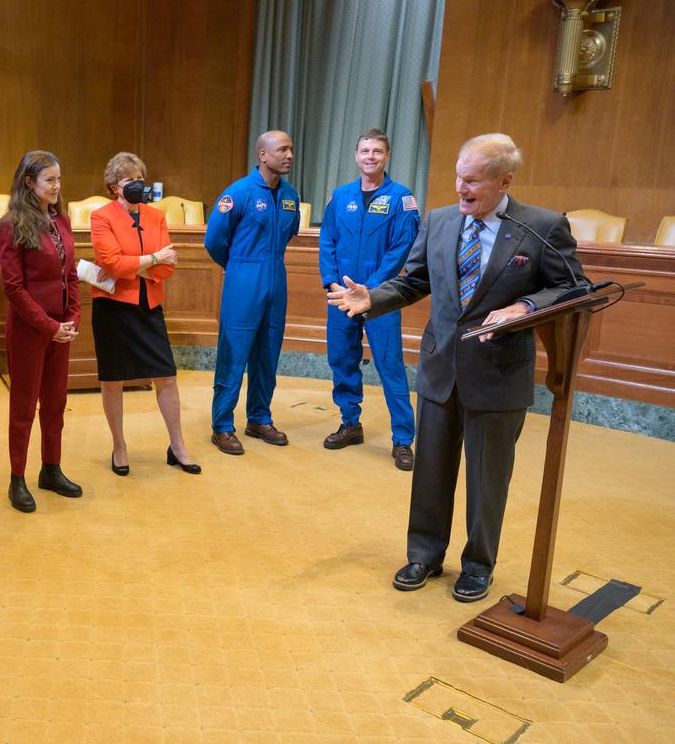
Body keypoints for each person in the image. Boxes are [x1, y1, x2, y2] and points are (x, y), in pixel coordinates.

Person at [328, 133, 583, 603]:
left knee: (487, 479)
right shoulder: (440, 220)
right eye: (457, 178)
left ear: (504, 181)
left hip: (499, 374)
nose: (460, 189)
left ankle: (478, 564)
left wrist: (524, 306)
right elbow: (413, 281)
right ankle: (424, 554)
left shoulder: (542, 226)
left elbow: (573, 288)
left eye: (472, 181)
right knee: (430, 471)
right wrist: (373, 298)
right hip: (440, 367)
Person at [90, 152, 201, 477]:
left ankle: (177, 445)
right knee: (113, 380)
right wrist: (151, 258)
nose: (137, 186)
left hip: (149, 306)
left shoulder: (156, 216)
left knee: (166, 376)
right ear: (114, 187)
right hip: (112, 308)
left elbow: (168, 267)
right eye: (129, 181)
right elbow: (110, 263)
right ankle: (119, 446)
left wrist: (138, 263)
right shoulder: (102, 217)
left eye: (140, 179)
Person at [318, 129, 420, 470]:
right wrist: (333, 284)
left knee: (390, 367)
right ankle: (350, 423)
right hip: (341, 298)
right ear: (356, 155)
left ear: (387, 155)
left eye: (377, 151)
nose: (370, 157)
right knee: (342, 361)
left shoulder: (401, 199)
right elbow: (327, 242)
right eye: (365, 151)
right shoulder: (339, 196)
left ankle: (403, 440)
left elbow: (401, 249)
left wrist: (371, 291)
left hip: (379, 299)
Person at [205, 130, 301, 455]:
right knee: (234, 353)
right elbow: (213, 241)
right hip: (243, 278)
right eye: (282, 149)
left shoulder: (291, 195)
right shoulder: (238, 193)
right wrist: (235, 267)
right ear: (262, 154)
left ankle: (259, 417)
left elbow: (289, 233)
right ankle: (222, 425)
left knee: (268, 352)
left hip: (276, 276)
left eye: (291, 149)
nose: (289, 155)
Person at [0, 151, 82, 512]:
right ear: (29, 182)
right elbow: (13, 288)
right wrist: (49, 327)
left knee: (56, 403)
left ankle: (51, 468)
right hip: (31, 330)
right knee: (24, 406)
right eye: (50, 180)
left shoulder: (61, 219)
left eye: (59, 180)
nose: (57, 187)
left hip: (61, 328)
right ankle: (18, 478)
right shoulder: (11, 224)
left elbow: (71, 275)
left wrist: (72, 319)